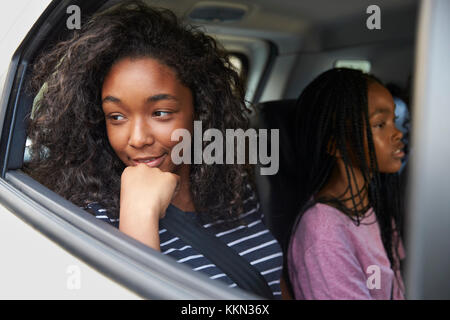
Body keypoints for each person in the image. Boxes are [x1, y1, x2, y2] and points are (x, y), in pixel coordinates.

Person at [24, 1, 283, 298]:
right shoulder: (90, 219)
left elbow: (276, 283)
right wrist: (139, 215)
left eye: (160, 113)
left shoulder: (233, 185)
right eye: (117, 117)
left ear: (200, 110)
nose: (137, 139)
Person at [287, 68, 406, 300]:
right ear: (335, 144)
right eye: (380, 124)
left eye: (395, 121)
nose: (398, 134)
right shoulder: (323, 233)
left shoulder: (374, 208)